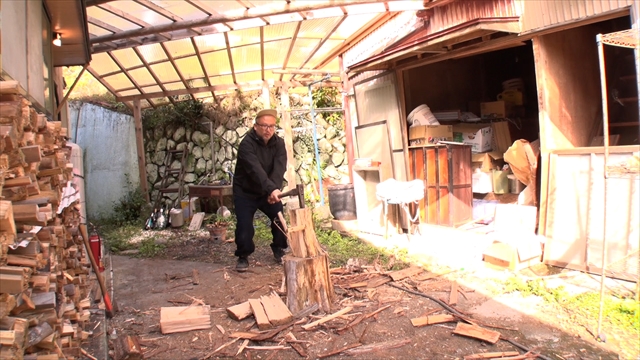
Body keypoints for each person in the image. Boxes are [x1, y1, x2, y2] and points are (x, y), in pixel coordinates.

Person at [232, 109, 288, 272]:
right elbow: (255, 170)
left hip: (268, 190)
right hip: (245, 191)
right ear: (255, 126)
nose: (268, 129)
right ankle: (243, 255)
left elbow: (279, 168)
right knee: (244, 226)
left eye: (271, 126)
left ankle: (279, 248)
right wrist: (271, 188)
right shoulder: (246, 144)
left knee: (279, 218)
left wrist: (274, 190)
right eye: (264, 125)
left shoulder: (279, 143)